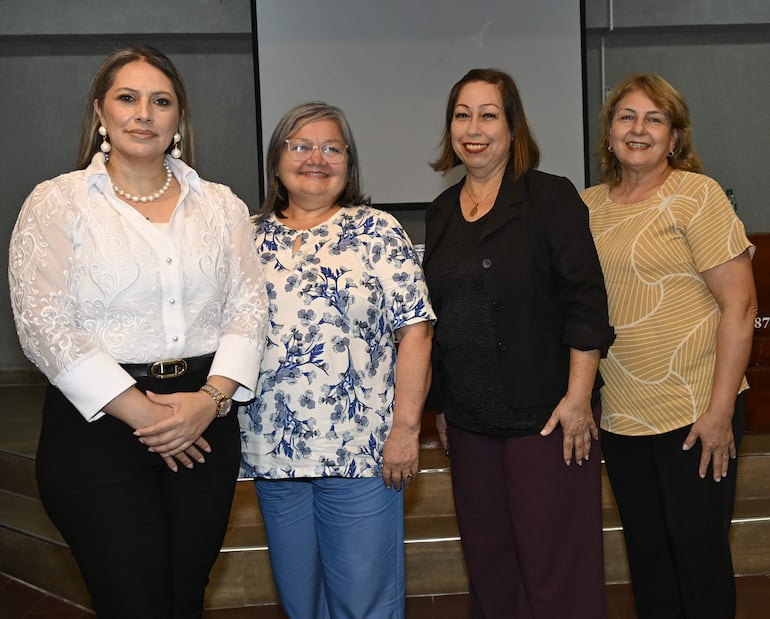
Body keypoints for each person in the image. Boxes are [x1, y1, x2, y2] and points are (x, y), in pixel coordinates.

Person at [8, 45, 268, 618]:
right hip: (97, 430)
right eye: (127, 98)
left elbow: (249, 309)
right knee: (133, 600)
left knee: (184, 596)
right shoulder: (57, 202)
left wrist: (209, 401)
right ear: (101, 111)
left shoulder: (221, 206)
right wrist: (150, 416)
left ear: (179, 119)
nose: (143, 113)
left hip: (206, 424)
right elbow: (44, 324)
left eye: (161, 101)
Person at [422, 68, 615, 618]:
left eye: (489, 114)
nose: (473, 128)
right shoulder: (440, 214)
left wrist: (578, 400)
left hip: (548, 417)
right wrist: (443, 404)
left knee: (558, 571)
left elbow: (585, 300)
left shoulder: (549, 196)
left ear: (512, 127)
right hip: (468, 421)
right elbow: (441, 316)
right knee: (489, 566)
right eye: (462, 115)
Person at [238, 101, 435, 619]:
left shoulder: (376, 230)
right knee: (302, 604)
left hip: (362, 450)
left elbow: (415, 331)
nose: (315, 158)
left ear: (348, 162)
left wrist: (407, 429)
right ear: (277, 160)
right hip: (273, 453)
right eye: (300, 145)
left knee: (364, 604)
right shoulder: (245, 237)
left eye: (331, 147)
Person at [581, 73, 757, 619]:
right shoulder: (585, 208)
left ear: (675, 137)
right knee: (648, 559)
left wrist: (721, 411)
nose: (639, 129)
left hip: (697, 411)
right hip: (623, 415)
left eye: (654, 119)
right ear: (608, 133)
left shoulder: (696, 196)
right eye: (626, 117)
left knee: (698, 558)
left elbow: (741, 306)